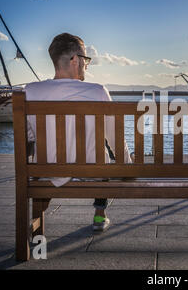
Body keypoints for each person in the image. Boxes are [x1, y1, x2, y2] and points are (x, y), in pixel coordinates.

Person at [25, 33, 132, 232]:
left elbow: (29, 138)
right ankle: (99, 216)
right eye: (86, 60)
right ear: (75, 60)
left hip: (48, 171)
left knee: (46, 162)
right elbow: (115, 137)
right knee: (103, 155)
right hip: (93, 172)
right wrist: (128, 166)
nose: (86, 65)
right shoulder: (98, 91)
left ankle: (36, 223)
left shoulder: (30, 91)